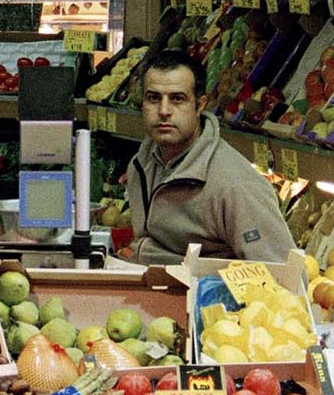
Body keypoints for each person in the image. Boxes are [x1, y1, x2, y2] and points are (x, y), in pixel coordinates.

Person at [124, 49, 295, 264]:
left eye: (177, 99)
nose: (164, 110)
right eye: (153, 98)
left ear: (200, 105)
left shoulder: (235, 185)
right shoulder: (141, 165)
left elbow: (284, 275)